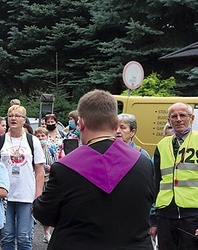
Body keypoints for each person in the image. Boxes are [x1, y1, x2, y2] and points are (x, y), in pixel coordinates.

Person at [33, 89, 155, 249]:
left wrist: (37, 197)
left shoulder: (64, 168)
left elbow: (45, 215)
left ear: (81, 123)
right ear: (117, 125)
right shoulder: (143, 163)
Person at [0, 105, 45, 250]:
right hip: (4, 196)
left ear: (24, 120)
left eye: (17, 115)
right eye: (10, 115)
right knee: (7, 236)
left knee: (24, 237)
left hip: (26, 195)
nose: (13, 118)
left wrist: (37, 195)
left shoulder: (32, 140)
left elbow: (40, 171)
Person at [153, 102, 198, 249]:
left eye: (182, 115)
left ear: (191, 118)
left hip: (192, 215)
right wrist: (153, 218)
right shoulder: (161, 145)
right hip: (166, 213)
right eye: (174, 116)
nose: (178, 119)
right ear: (169, 121)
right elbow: (156, 181)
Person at [34, 126, 57, 244]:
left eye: (43, 136)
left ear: (47, 137)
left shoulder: (51, 149)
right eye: (38, 136)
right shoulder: (32, 150)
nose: (40, 138)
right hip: (35, 181)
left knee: (45, 206)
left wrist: (51, 167)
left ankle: (46, 232)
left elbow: (57, 164)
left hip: (48, 181)